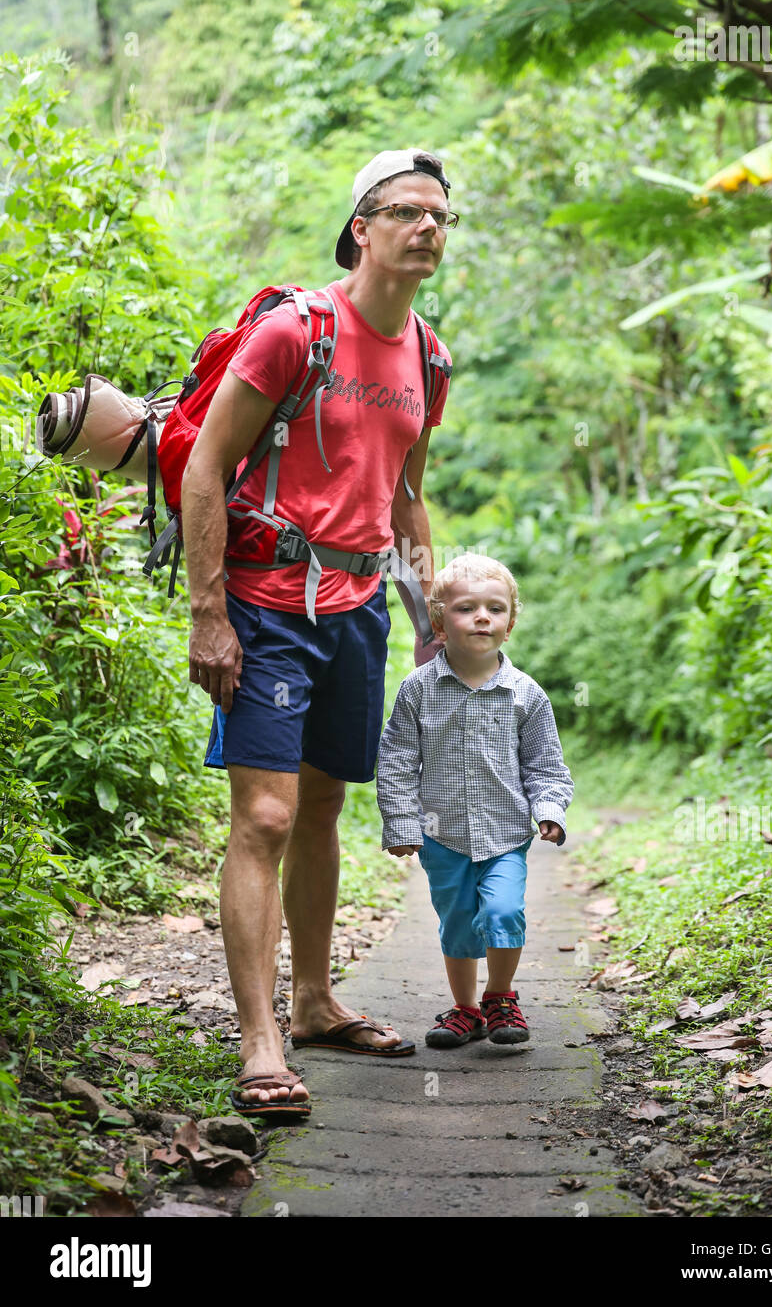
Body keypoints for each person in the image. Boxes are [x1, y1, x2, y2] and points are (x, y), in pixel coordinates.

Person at [181, 149, 457, 1114]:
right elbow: (205, 470)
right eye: (406, 212)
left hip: (356, 614)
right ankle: (260, 1044)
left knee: (326, 808)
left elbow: (409, 497)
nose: (426, 227)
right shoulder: (297, 332)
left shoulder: (429, 356)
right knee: (265, 815)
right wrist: (208, 612)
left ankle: (312, 1002)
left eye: (439, 216)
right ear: (361, 228)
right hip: (263, 606)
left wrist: (430, 619)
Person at [376, 554, 574, 1047]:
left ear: (509, 626)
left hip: (505, 834)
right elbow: (398, 760)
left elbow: (546, 765)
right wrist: (401, 824)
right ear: (440, 623)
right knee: (458, 920)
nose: (482, 617)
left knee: (503, 910)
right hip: (442, 835)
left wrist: (548, 810)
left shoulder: (526, 695)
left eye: (495, 608)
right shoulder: (418, 690)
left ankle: (500, 996)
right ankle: (464, 1010)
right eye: (467, 608)